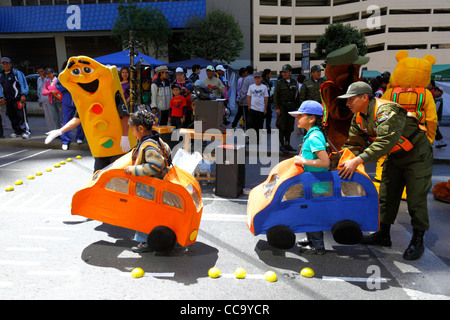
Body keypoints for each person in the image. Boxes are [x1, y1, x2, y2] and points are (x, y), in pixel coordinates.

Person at [337, 82, 433, 261]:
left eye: (350, 100)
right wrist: (339, 158)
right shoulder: (358, 117)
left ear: (364, 97)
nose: (347, 104)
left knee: (415, 199)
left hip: (417, 156)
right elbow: (354, 143)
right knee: (387, 195)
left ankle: (418, 240)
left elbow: (384, 143)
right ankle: (383, 234)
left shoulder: (386, 112)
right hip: (395, 156)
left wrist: (357, 161)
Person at [125, 110, 172, 253]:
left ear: (140, 128)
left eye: (133, 129)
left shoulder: (148, 145)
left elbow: (155, 165)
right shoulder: (156, 139)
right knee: (155, 215)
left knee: (144, 215)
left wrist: (134, 170)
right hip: (158, 187)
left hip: (149, 187)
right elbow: (167, 151)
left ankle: (144, 242)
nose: (132, 133)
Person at [289, 100, 330, 255]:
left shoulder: (314, 137)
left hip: (317, 185)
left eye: (300, 116)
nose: (297, 119)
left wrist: (303, 161)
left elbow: (324, 161)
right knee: (307, 212)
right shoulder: (311, 134)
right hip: (311, 183)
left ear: (312, 119)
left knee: (313, 215)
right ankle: (311, 240)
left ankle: (318, 247)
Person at [56, 64, 85, 151]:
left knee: (79, 120)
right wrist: (69, 86)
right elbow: (58, 86)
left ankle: (80, 137)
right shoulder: (62, 75)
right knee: (66, 120)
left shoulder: (79, 73)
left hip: (78, 101)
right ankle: (65, 141)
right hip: (67, 101)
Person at [0, 57, 30, 139]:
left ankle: (25, 131)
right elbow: (0, 87)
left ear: (10, 64)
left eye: (7, 63)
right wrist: (1, 97)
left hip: (18, 99)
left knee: (21, 116)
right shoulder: (1, 75)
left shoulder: (17, 73)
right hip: (8, 100)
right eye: (3, 64)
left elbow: (23, 84)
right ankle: (17, 131)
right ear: (1, 65)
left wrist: (24, 94)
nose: (5, 65)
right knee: (12, 116)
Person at [274, 64, 300, 153]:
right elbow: (276, 96)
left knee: (289, 127)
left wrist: (297, 106)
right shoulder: (279, 83)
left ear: (290, 72)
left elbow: (297, 95)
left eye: (286, 72)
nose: (284, 74)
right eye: (283, 72)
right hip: (282, 107)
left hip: (292, 107)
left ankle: (287, 144)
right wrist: (277, 108)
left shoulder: (294, 82)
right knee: (282, 126)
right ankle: (282, 145)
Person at [247, 72, 268, 143]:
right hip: (252, 108)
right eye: (256, 78)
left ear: (261, 78)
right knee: (251, 124)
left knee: (259, 125)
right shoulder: (251, 87)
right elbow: (249, 97)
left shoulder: (264, 87)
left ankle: (258, 139)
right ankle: (251, 139)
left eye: (259, 78)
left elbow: (266, 98)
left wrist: (265, 108)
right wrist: (249, 106)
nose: (257, 79)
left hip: (261, 109)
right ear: (254, 79)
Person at [36, 66, 55, 132]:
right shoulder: (38, 79)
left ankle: (56, 130)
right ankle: (51, 130)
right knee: (47, 117)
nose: (40, 73)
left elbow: (50, 88)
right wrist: (39, 100)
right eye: (39, 72)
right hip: (43, 100)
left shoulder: (48, 79)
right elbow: (39, 90)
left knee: (53, 116)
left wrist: (44, 79)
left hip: (50, 99)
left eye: (41, 71)